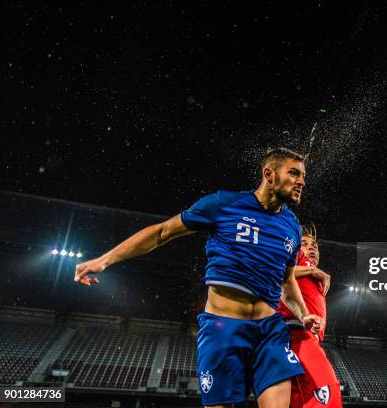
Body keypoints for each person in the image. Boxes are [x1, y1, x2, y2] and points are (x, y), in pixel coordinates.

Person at [73, 147, 323, 408]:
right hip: (222, 328)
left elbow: (287, 280)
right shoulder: (224, 204)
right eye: (294, 173)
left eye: (303, 175)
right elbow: (162, 232)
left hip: (269, 331)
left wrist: (303, 314)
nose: (301, 181)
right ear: (269, 174)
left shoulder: (292, 226)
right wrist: (104, 260)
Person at [276, 225, 342, 408]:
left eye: (314, 245)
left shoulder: (317, 279)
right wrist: (312, 270)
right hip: (295, 335)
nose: (311, 247)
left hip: (303, 339)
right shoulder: (297, 258)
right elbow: (277, 270)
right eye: (304, 243)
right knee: (328, 399)